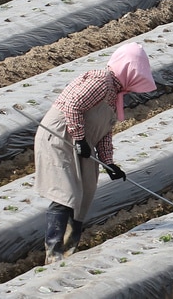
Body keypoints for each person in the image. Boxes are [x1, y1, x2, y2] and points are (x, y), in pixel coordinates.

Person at [34, 42, 156, 264]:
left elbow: (104, 133)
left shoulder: (115, 94)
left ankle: (70, 250)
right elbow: (72, 106)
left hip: (81, 142)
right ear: (128, 70)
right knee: (65, 193)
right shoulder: (101, 81)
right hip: (60, 137)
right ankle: (54, 254)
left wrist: (110, 163)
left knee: (84, 195)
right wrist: (79, 138)